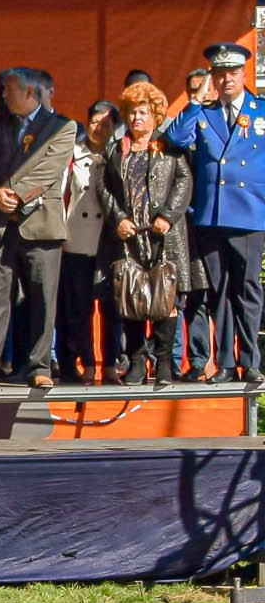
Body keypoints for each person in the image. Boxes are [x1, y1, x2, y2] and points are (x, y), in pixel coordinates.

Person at [164, 42, 265, 383]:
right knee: (218, 290)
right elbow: (176, 139)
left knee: (247, 288)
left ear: (244, 74)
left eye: (232, 73)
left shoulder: (260, 110)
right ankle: (224, 363)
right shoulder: (204, 113)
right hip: (211, 214)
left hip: (250, 213)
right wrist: (195, 101)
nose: (226, 81)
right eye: (219, 75)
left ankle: (249, 360)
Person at [0, 66, 77, 388]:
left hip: (41, 225)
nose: (3, 95)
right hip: (0, 224)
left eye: (10, 90)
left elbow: (48, 171)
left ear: (29, 93)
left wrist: (11, 193)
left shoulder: (62, 127)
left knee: (41, 298)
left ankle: (39, 366)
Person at [101, 81, 193, 385]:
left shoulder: (169, 147)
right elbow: (103, 188)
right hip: (130, 236)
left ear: (155, 115)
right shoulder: (117, 149)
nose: (136, 118)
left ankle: (164, 362)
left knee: (166, 300)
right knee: (132, 296)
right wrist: (118, 218)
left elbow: (184, 182)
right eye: (131, 113)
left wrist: (167, 216)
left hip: (163, 235)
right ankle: (138, 361)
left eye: (143, 112)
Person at [57, 101, 120, 382]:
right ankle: (86, 363)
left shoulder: (121, 154)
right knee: (79, 309)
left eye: (106, 123)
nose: (100, 128)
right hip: (77, 239)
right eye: (95, 121)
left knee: (112, 308)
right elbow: (59, 195)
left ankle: (110, 364)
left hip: (110, 242)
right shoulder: (72, 153)